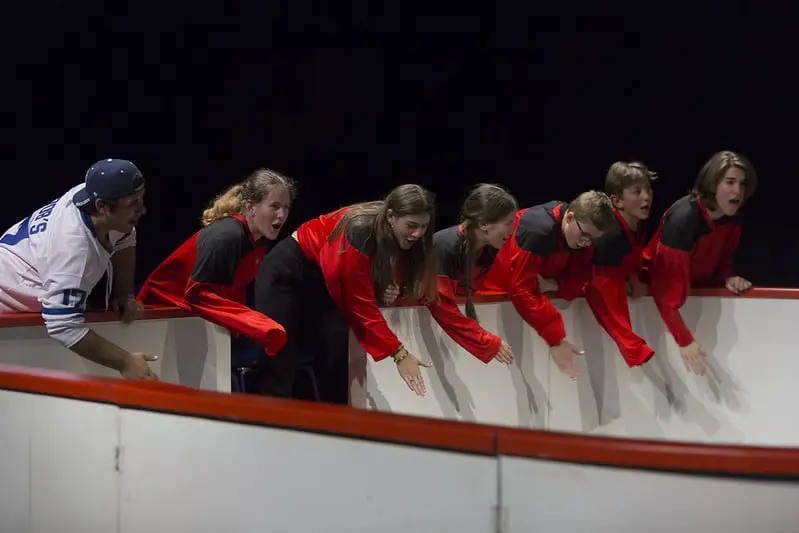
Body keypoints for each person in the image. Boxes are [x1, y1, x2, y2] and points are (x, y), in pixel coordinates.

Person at [254, 184, 438, 402]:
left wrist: (389, 286)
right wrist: (399, 354)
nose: (418, 233)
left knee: (337, 350)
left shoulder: (398, 233)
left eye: (424, 227)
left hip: (321, 278)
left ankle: (335, 417)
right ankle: (272, 418)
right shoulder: (359, 230)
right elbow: (357, 302)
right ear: (391, 217)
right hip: (287, 271)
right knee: (279, 354)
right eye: (412, 226)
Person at [0, 158, 157, 380]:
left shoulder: (95, 195)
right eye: (132, 204)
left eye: (141, 199)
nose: (143, 209)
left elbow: (125, 237)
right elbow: (62, 325)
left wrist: (124, 295)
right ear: (102, 207)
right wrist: (125, 362)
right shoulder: (73, 251)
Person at [137, 169, 296, 363]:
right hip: (159, 316)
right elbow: (197, 294)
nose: (282, 215)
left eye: (286, 208)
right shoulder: (228, 235)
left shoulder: (259, 241)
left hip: (193, 319)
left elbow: (231, 286)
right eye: (274, 206)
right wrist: (257, 324)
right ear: (251, 207)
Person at [641, 150, 757, 376]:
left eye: (742, 184)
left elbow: (724, 256)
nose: (738, 191)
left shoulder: (733, 216)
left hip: (693, 291)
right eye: (730, 182)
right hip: (654, 292)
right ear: (712, 184)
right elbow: (664, 292)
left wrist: (728, 277)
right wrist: (685, 341)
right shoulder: (683, 219)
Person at [478, 191, 616, 379]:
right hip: (493, 291)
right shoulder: (538, 230)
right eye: (584, 235)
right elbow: (520, 290)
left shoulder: (582, 236)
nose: (586, 243)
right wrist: (555, 339)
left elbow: (578, 282)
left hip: (521, 298)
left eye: (593, 239)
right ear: (569, 217)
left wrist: (555, 286)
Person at [428, 183, 516, 364]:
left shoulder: (489, 249)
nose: (511, 230)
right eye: (508, 223)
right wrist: (485, 340)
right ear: (484, 224)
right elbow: (441, 306)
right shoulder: (445, 246)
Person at [584, 161, 657, 367]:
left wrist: (633, 278)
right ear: (617, 201)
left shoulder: (636, 227)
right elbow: (601, 289)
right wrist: (632, 346)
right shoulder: (610, 235)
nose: (646, 197)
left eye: (648, 190)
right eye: (637, 191)